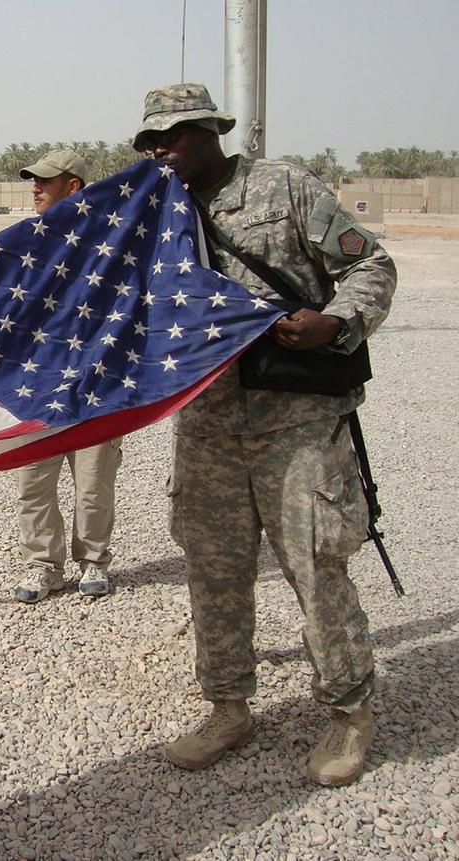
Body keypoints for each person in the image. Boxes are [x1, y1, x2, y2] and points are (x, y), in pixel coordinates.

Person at [130, 84, 396, 786]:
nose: (162, 150)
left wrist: (334, 323)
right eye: (152, 141)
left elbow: (370, 264)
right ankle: (228, 706)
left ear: (211, 132)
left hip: (296, 419)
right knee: (214, 569)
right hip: (209, 421)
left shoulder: (284, 187)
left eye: (175, 135)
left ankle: (348, 711)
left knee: (315, 562)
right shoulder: (155, 211)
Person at [12, 149, 123, 602]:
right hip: (37, 385)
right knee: (33, 482)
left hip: (95, 386)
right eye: (33, 181)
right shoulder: (23, 242)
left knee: (94, 482)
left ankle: (94, 561)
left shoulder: (109, 245)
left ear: (72, 186)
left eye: (45, 181)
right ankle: (43, 565)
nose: (35, 188)